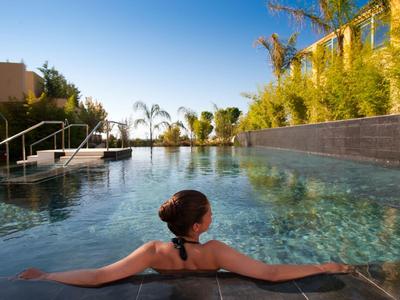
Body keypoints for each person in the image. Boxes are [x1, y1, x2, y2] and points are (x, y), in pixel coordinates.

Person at [18, 190, 351, 287]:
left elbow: (101, 275)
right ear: (197, 227)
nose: (212, 216)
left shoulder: (153, 252)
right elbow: (270, 274)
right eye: (209, 213)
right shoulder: (215, 252)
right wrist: (324, 266)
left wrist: (48, 275)